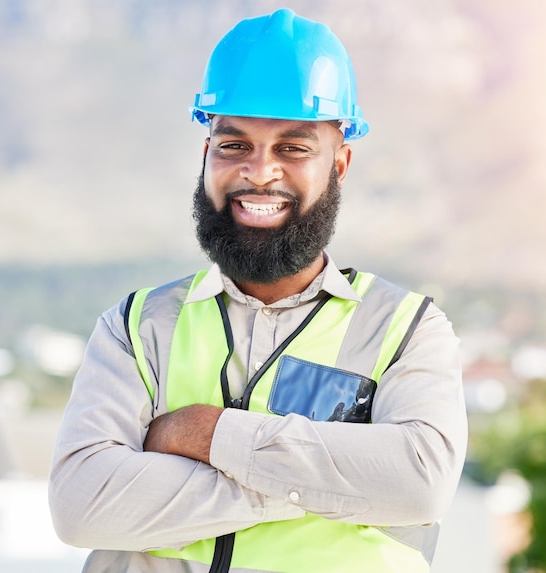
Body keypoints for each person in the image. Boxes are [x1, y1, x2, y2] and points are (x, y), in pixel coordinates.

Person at [49, 8, 467, 573]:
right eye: (234, 144)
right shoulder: (137, 326)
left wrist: (205, 432)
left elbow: (418, 485)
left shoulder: (407, 330)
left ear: (339, 164)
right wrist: (329, 487)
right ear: (206, 156)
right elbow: (82, 506)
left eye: (293, 148)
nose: (260, 172)